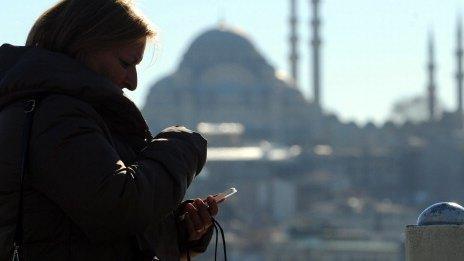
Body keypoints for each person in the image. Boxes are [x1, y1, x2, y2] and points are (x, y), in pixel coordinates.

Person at [0, 0, 219, 260]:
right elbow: (118, 208)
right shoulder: (56, 115)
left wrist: (182, 233)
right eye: (126, 63)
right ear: (84, 46)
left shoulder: (74, 114)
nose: (134, 82)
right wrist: (183, 146)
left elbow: (89, 229)